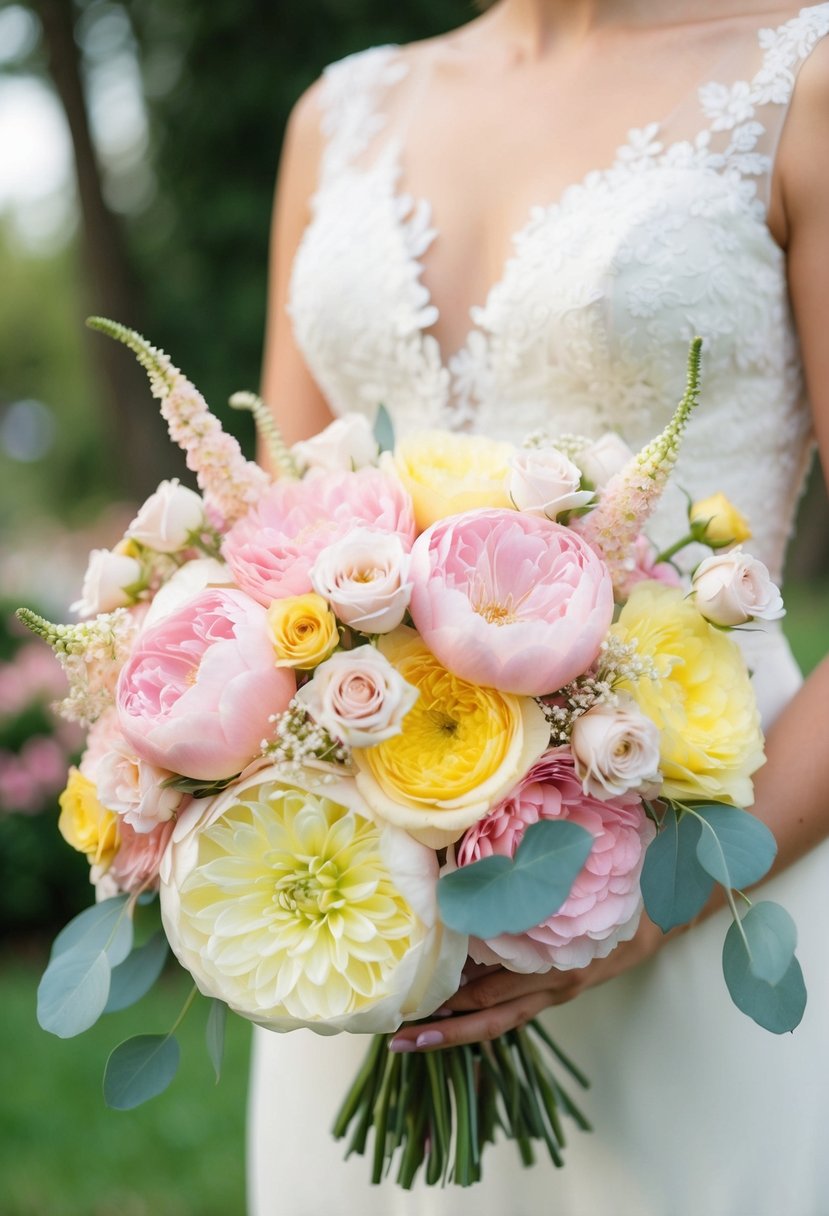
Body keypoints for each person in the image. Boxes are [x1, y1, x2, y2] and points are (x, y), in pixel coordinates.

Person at [249, 2, 829, 1212]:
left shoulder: (800, 80)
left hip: (712, 854)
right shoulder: (336, 112)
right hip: (375, 898)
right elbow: (273, 532)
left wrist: (643, 920)